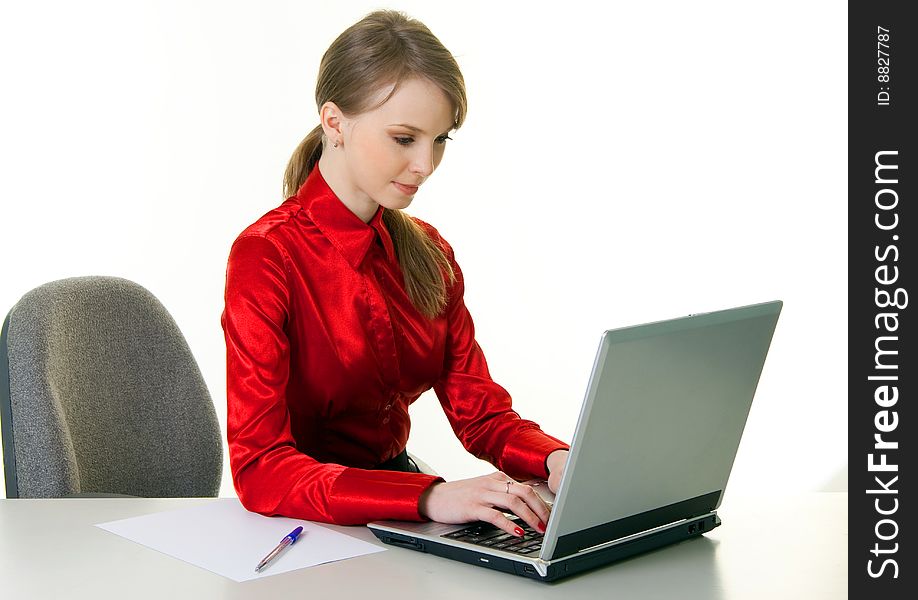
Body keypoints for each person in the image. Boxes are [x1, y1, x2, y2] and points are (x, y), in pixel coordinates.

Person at [222, 9, 569, 540]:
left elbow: (480, 413)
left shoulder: (429, 252)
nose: (425, 165)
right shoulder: (266, 256)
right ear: (334, 123)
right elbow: (260, 469)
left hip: (404, 514)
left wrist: (556, 462)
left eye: (441, 140)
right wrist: (428, 496)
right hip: (304, 530)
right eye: (405, 138)